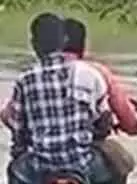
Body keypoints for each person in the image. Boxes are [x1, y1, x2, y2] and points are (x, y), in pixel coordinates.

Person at [4, 13, 116, 184]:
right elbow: (105, 120)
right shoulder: (88, 74)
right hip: (83, 163)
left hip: (39, 167)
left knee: (14, 170)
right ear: (64, 41)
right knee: (116, 169)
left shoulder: (25, 80)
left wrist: (19, 152)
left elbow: (18, 130)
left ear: (33, 43)